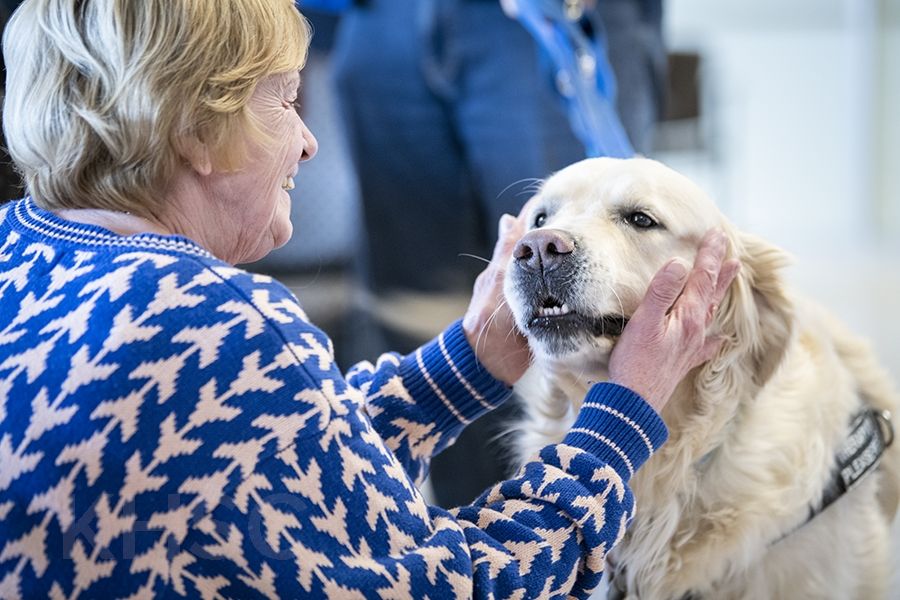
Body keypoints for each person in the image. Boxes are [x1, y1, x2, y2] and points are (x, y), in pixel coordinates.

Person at [0, 1, 737, 597]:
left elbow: (275, 460)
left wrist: (464, 367)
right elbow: (459, 587)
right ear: (197, 128)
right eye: (288, 101)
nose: (310, 141)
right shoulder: (223, 321)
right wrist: (624, 413)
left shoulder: (22, 251)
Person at [329, 0, 667, 507]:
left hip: (537, 22)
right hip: (378, 20)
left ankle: (602, 546)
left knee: (598, 307)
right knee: (417, 312)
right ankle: (477, 556)